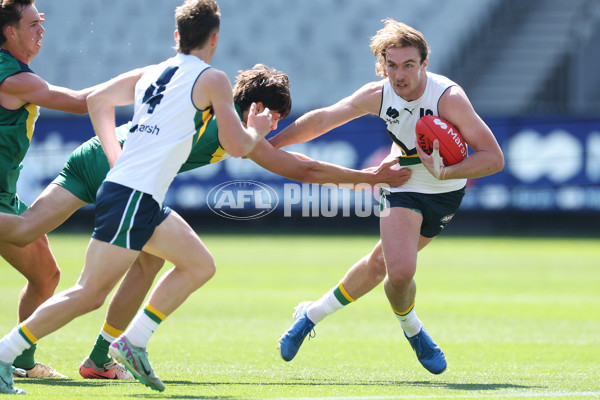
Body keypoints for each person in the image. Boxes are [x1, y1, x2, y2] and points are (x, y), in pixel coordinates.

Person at [0, 63, 410, 381]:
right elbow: (303, 171)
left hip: (91, 155)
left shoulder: (217, 112)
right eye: (277, 117)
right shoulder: (230, 128)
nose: (276, 126)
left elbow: (293, 160)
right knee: (140, 278)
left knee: (31, 231)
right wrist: (369, 178)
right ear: (258, 108)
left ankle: (60, 357)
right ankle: (107, 350)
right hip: (126, 180)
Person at [271, 19, 504, 375]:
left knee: (382, 265)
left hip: (445, 192)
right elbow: (321, 121)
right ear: (382, 66)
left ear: (425, 64)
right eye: (392, 65)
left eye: (409, 65)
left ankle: (310, 313)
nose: (400, 74)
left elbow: (493, 158)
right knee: (401, 270)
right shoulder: (377, 94)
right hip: (402, 181)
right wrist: (267, 147)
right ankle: (413, 330)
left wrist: (447, 173)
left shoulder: (448, 98)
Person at [0, 0, 105, 379]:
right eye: (32, 24)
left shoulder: (16, 73)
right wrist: (146, 83)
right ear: (10, 32)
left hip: (5, 198)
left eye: (41, 22)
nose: (41, 30)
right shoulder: (17, 79)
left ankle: (21, 364)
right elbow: (81, 103)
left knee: (45, 276)